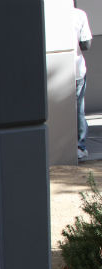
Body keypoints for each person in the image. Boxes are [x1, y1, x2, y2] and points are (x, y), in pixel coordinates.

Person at [73, 3, 93, 160]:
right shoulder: (79, 14)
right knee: (78, 109)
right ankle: (80, 146)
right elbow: (86, 44)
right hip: (77, 69)